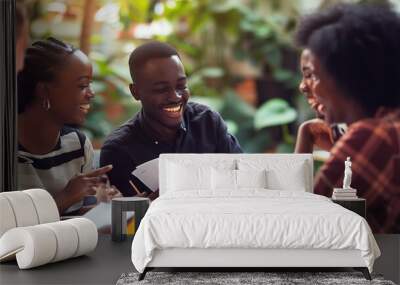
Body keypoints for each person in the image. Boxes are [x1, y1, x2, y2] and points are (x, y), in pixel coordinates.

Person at [294, 3, 400, 233]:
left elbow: (298, 226)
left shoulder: (375, 136)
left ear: (346, 76)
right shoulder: (390, 126)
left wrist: (304, 139)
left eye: (316, 75)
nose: (308, 88)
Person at [100, 41, 242, 198]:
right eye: (161, 89)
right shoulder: (119, 150)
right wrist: (148, 206)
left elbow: (242, 177)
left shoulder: (207, 122)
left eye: (181, 86)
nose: (176, 97)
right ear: (136, 92)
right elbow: (123, 218)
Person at [17, 37, 121, 215]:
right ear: (44, 91)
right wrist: (65, 197)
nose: (92, 93)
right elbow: (7, 229)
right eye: (82, 85)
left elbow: (75, 217)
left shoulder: (78, 145)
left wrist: (109, 208)